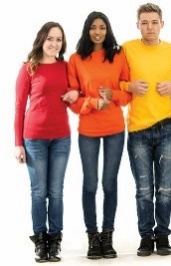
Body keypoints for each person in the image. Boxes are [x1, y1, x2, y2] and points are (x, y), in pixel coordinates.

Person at [121, 2, 171, 256]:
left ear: (162, 24)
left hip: (167, 128)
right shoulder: (127, 49)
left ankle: (163, 235)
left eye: (154, 22)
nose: (150, 27)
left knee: (166, 189)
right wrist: (129, 87)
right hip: (138, 130)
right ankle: (146, 236)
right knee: (144, 189)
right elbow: (115, 80)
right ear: (138, 25)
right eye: (144, 22)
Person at [67, 11, 131, 259]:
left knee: (109, 183)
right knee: (91, 184)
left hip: (115, 128)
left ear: (108, 30)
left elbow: (127, 94)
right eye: (93, 27)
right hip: (88, 130)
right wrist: (94, 102)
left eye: (102, 27)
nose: (98, 32)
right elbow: (72, 101)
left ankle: (107, 236)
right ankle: (93, 237)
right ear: (87, 30)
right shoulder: (76, 59)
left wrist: (112, 96)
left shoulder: (118, 56)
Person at [14, 21, 73, 263]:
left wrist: (75, 95)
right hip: (34, 137)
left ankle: (55, 239)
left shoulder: (67, 67)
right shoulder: (29, 68)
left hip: (61, 137)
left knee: (56, 192)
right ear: (42, 39)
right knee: (39, 192)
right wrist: (18, 143)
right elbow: (19, 107)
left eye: (58, 39)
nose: (54, 43)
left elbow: (75, 97)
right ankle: (40, 240)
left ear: (62, 43)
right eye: (50, 38)